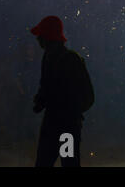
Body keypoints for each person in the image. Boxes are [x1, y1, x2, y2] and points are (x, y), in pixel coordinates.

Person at [31, 16, 94, 167]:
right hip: (60, 125)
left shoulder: (68, 60)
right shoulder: (50, 58)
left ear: (47, 37)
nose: (38, 39)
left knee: (63, 163)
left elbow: (85, 97)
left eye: (41, 35)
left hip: (65, 126)